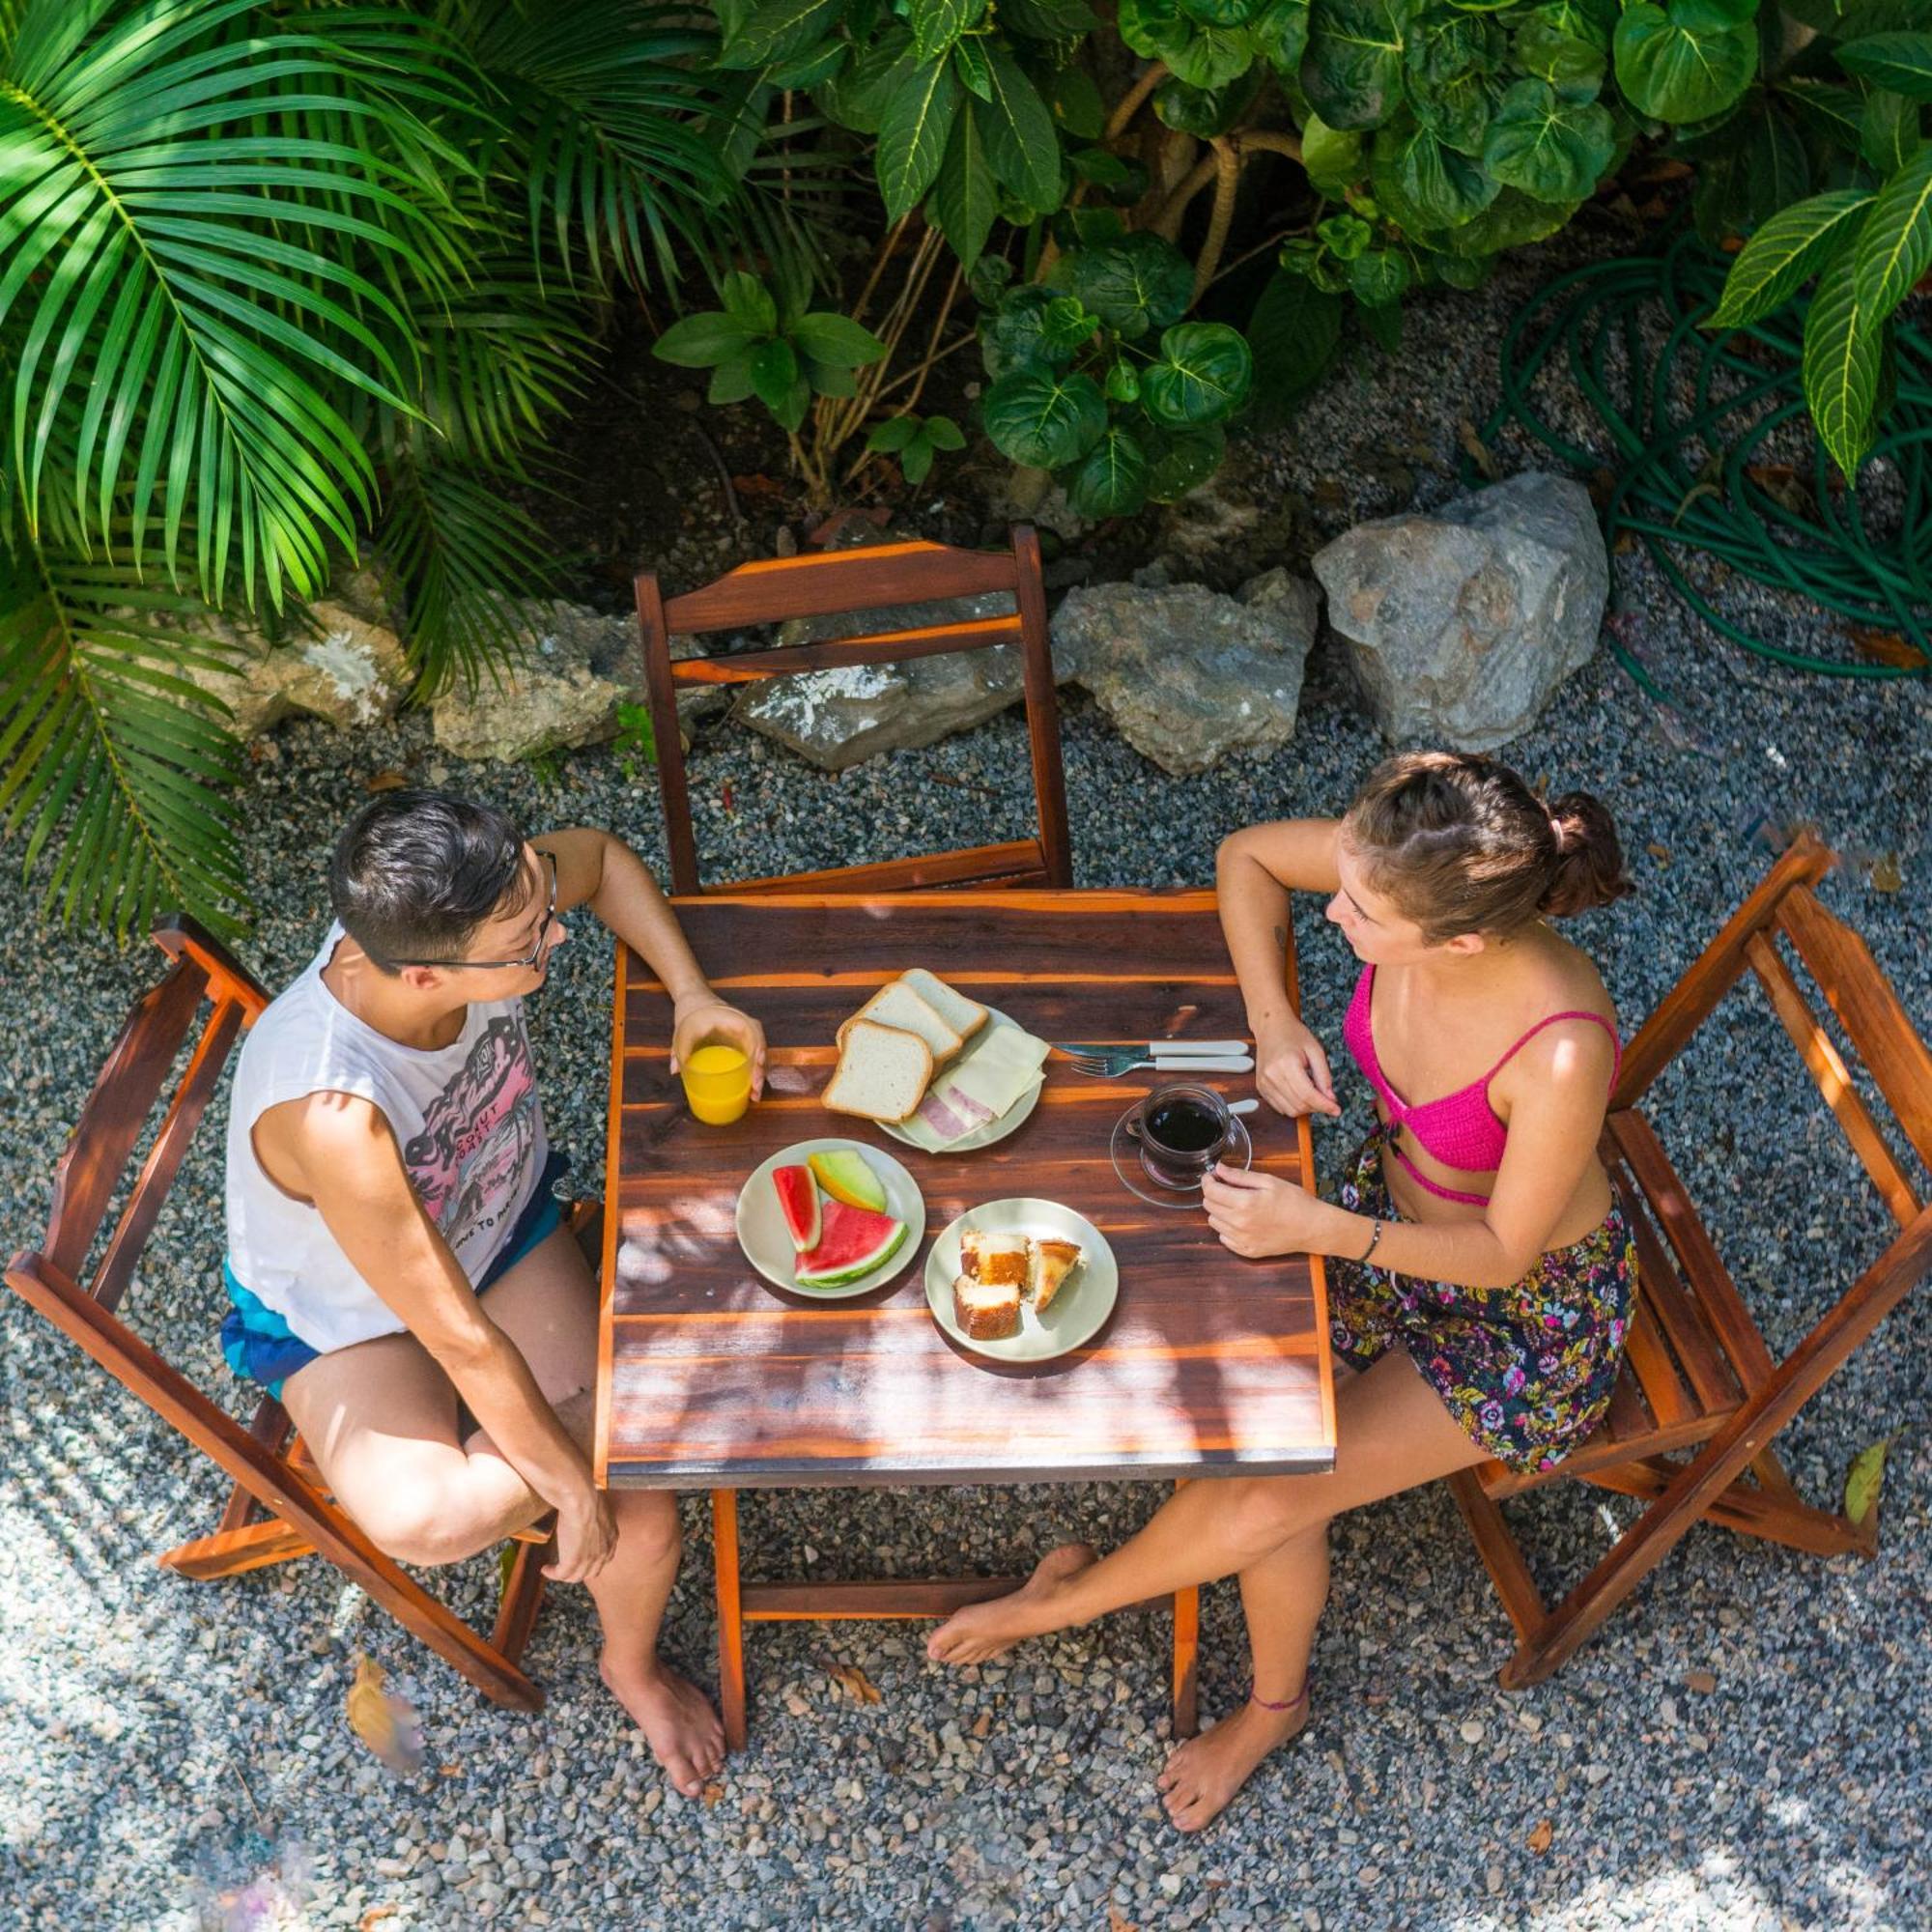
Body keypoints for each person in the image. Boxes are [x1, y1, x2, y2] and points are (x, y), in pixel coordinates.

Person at [926, 751, 1638, 1831]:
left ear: (1456, 941)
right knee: (1236, 1419)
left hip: (1522, 1316)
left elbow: (1500, 1251)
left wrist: (1323, 1228)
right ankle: (1167, 1625)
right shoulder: (1409, 864)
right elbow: (1247, 856)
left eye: (1357, 913)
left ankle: (1127, 1637)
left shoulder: (1556, 1048)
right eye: (1342, 885)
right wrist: (1270, 1023)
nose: (1335, 912)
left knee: (1270, 1490)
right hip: (1373, 1222)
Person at [221, 790, 764, 1797]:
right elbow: (461, 1337)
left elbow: (595, 855)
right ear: (424, 971)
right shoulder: (335, 1113)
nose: (553, 932)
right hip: (352, 1320)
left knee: (643, 1522)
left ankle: (628, 1661)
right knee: (428, 1521)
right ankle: (635, 1399)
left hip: (496, 1229)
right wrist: (563, 1477)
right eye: (529, 939)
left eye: (540, 911)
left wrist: (689, 993)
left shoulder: (471, 894)